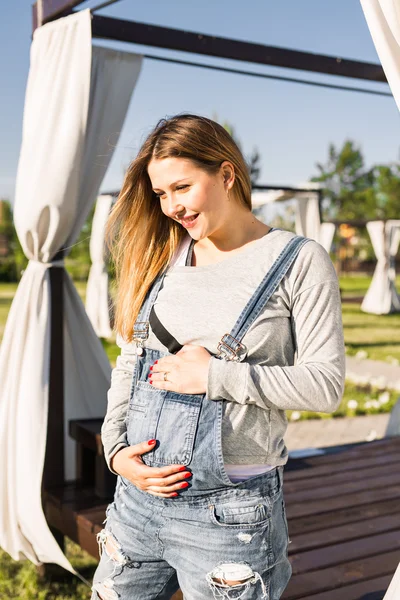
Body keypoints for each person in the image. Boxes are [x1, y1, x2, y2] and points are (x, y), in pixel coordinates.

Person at [91, 114, 345, 600]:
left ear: (226, 174)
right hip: (136, 505)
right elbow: (131, 362)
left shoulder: (298, 260)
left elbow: (324, 385)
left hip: (230, 517)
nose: (170, 207)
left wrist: (215, 375)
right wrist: (116, 450)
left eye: (181, 187)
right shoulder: (164, 256)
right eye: (161, 194)